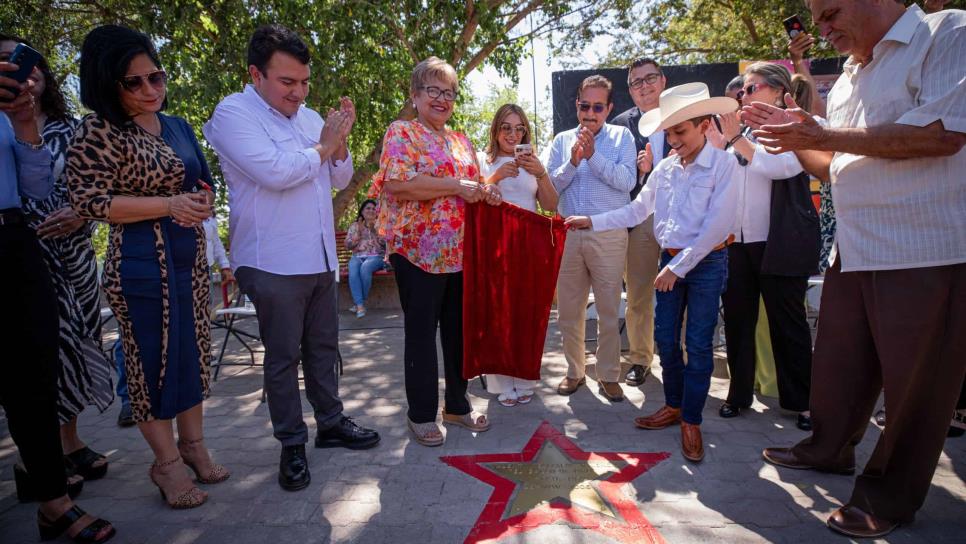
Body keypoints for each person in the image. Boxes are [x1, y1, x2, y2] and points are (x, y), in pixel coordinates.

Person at [746, 1, 966, 537]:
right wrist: (794, 139)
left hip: (925, 248)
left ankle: (889, 494)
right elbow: (832, 163)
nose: (821, 29)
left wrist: (820, 136)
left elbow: (942, 133)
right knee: (838, 367)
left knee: (916, 388)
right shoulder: (846, 79)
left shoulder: (949, 32)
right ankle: (828, 450)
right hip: (854, 247)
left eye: (831, 12)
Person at [204, 25, 379, 491]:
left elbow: (339, 179)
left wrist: (339, 143)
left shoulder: (308, 116)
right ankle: (291, 444)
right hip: (271, 259)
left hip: (320, 255)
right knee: (283, 357)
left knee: (323, 349)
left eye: (304, 82)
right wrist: (323, 144)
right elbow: (276, 172)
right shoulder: (232, 114)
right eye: (287, 82)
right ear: (255, 74)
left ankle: (332, 423)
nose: (299, 93)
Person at [67, 25, 228, 510]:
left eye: (154, 77)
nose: (149, 90)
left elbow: (202, 181)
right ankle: (166, 466)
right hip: (139, 265)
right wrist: (168, 205)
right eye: (133, 82)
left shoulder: (176, 124)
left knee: (193, 355)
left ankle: (193, 446)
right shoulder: (97, 130)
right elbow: (89, 199)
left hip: (190, 260)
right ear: (107, 85)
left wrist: (200, 201)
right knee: (149, 366)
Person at [567, 83, 740, 462]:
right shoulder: (664, 169)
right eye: (668, 132)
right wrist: (590, 221)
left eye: (680, 131)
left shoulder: (725, 165)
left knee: (697, 343)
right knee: (665, 341)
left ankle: (691, 420)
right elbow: (635, 211)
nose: (673, 139)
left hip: (706, 263)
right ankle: (674, 405)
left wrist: (676, 269)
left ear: (704, 125)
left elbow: (716, 226)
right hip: (671, 263)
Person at [2, 51, 115, 543]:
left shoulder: (67, 129)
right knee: (41, 356)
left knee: (61, 350)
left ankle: (64, 451)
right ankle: (39, 464)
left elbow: (73, 184)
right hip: (31, 248)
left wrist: (79, 215)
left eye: (23, 64)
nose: (18, 75)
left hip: (58, 252)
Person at [369, 56, 501, 446]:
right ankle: (422, 414)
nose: (442, 99)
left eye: (450, 93)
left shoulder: (461, 141)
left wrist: (484, 192)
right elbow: (397, 184)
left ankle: (457, 406)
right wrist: (456, 185)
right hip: (416, 252)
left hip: (461, 253)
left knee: (459, 333)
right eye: (434, 90)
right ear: (415, 95)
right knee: (421, 334)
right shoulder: (401, 132)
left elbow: (471, 185)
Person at [710, 63, 817, 431]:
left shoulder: (791, 125)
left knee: (789, 325)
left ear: (776, 90)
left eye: (751, 88)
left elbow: (782, 168)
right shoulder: (737, 135)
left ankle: (803, 403)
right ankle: (738, 396)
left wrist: (737, 138)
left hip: (780, 244)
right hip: (737, 244)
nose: (744, 95)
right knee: (738, 323)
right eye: (743, 91)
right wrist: (718, 147)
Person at [545, 74, 637, 402]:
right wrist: (573, 159)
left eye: (599, 107)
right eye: (586, 105)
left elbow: (627, 182)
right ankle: (574, 371)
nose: (591, 113)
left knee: (610, 310)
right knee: (569, 311)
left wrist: (593, 156)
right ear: (577, 105)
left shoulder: (622, 137)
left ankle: (609, 375)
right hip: (568, 236)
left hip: (608, 235)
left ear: (609, 108)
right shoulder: (560, 141)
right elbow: (550, 189)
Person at [477, 103, 558, 406]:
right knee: (499, 314)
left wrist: (542, 173)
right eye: (506, 128)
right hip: (495, 245)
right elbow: (474, 197)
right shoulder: (483, 161)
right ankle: (500, 384)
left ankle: (525, 378)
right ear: (496, 130)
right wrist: (495, 178)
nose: (512, 134)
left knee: (527, 314)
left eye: (519, 128)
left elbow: (550, 206)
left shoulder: (534, 162)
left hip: (528, 245)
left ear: (526, 131)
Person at [610, 58, 669, 388]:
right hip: (640, 218)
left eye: (650, 79)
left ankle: (681, 357)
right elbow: (617, 180)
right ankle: (640, 359)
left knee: (683, 291)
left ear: (663, 81)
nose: (644, 87)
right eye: (636, 82)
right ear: (630, 89)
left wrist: (657, 164)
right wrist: (641, 172)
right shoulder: (621, 125)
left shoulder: (684, 114)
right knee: (639, 294)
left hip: (681, 217)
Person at [345, 199, 387, 318]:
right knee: (353, 269)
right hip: (357, 256)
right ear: (362, 211)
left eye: (373, 209)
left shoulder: (380, 224)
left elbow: (385, 244)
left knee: (365, 267)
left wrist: (374, 230)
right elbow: (348, 245)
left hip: (376, 257)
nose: (371, 210)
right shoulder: (354, 226)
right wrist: (358, 234)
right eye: (368, 208)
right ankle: (360, 305)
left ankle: (359, 303)